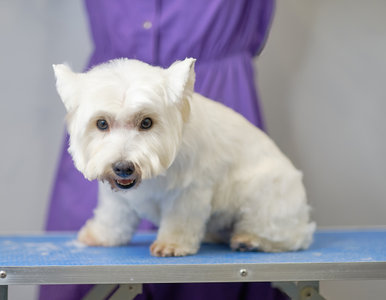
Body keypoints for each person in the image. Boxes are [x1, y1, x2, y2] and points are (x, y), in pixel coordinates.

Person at [40, 1, 287, 299]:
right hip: (103, 88)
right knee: (90, 273)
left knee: (210, 279)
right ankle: (109, 223)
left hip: (210, 81)